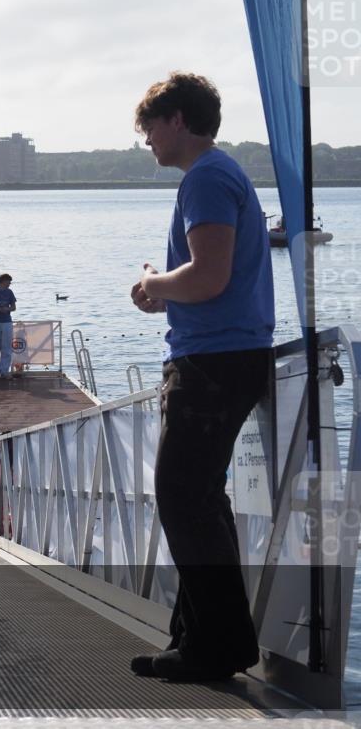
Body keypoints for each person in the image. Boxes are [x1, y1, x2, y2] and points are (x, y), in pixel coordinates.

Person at [129, 72, 274, 682]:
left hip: (213, 363)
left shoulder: (207, 178)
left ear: (178, 120)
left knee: (184, 498)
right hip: (227, 356)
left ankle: (217, 646)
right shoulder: (219, 174)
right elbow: (212, 278)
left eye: (149, 128)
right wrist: (168, 292)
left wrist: (152, 282)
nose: (147, 140)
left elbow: (209, 276)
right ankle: (198, 638)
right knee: (199, 500)